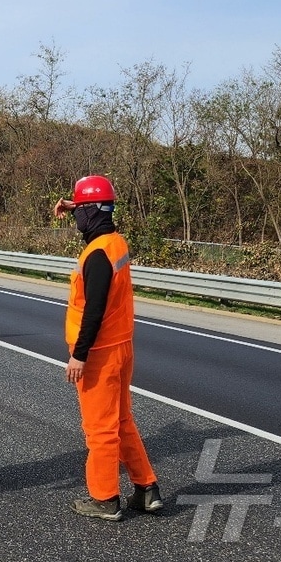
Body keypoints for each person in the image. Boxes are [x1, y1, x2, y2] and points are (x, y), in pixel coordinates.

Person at [51, 175, 164, 521]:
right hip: (121, 347)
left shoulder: (97, 254)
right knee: (122, 421)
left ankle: (104, 498)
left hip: (99, 353)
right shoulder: (115, 242)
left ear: (91, 212)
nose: (76, 218)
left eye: (79, 211)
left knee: (100, 429)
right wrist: (75, 204)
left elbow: (94, 310)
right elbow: (96, 212)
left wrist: (79, 355)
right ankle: (146, 489)